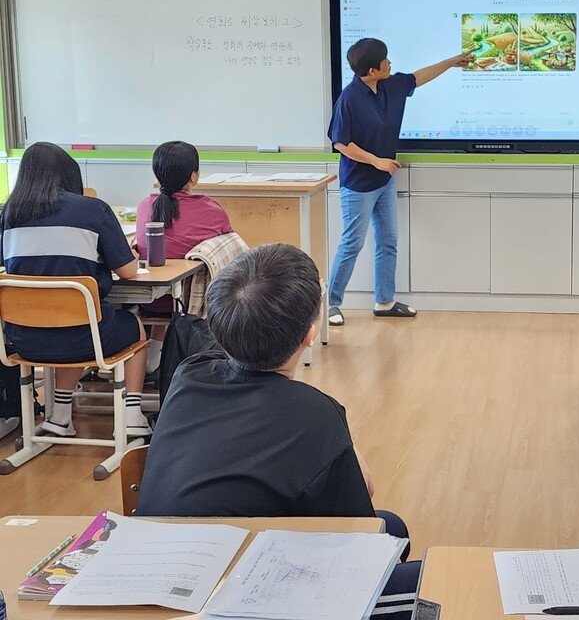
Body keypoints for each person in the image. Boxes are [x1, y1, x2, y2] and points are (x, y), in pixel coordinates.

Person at [137, 243, 417, 619]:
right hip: (240, 596)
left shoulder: (190, 374)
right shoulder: (314, 412)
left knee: (394, 527)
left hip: (163, 565)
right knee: (419, 568)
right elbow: (357, 530)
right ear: (309, 335)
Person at [0, 142, 150, 437]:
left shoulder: (8, 215)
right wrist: (126, 256)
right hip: (84, 336)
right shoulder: (93, 210)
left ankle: (59, 416)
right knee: (132, 326)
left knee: (65, 317)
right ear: (68, 174)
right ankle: (131, 415)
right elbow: (128, 272)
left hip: (21, 340)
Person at [327, 38, 471, 326]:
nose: (390, 63)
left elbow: (420, 76)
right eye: (385, 60)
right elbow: (340, 143)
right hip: (358, 185)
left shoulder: (390, 85)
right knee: (352, 244)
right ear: (372, 69)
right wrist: (376, 160)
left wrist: (451, 62)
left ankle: (384, 301)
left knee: (388, 241)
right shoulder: (349, 98)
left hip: (385, 181)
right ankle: (330, 303)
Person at [135, 141, 232, 371]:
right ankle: (158, 359)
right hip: (193, 306)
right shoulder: (212, 211)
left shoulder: (144, 207)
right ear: (194, 176)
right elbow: (229, 247)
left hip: (148, 300)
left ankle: (153, 357)